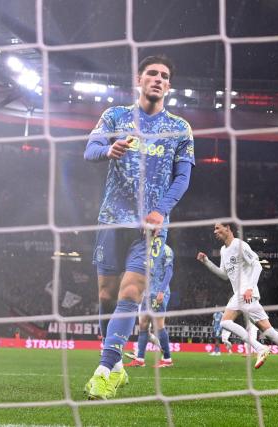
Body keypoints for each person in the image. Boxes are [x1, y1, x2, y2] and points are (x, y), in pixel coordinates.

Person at [83, 55, 195, 400]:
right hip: (112, 219)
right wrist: (108, 150)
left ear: (169, 86)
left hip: (152, 228)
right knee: (105, 295)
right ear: (139, 79)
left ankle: (103, 370)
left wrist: (161, 211)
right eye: (152, 73)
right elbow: (89, 149)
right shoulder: (115, 116)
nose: (158, 79)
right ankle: (116, 366)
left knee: (130, 293)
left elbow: (183, 177)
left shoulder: (180, 127)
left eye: (164, 76)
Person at [196, 222, 278, 376]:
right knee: (269, 331)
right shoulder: (224, 250)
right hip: (242, 294)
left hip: (246, 292)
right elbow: (224, 275)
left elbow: (257, 265)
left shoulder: (239, 245)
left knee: (224, 322)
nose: (214, 231)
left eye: (217, 228)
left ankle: (260, 348)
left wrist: (249, 287)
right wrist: (207, 262)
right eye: (214, 229)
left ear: (227, 228)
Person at [124, 244, 175, 368]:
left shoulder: (166, 249)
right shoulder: (145, 248)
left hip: (158, 292)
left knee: (159, 325)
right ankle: (140, 359)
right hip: (146, 293)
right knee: (143, 324)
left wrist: (162, 291)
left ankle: (167, 359)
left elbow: (169, 271)